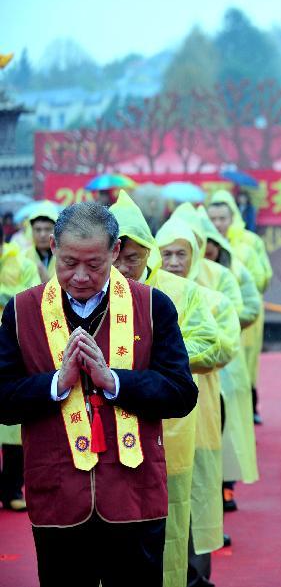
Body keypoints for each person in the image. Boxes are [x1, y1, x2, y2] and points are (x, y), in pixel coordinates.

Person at [0, 202, 198, 587]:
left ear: (115, 252)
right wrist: (57, 383)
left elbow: (180, 394)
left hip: (133, 494)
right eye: (69, 261)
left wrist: (115, 382)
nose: (79, 277)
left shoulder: (152, 306)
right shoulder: (23, 312)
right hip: (58, 493)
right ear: (54, 247)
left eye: (94, 264)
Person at [110, 192, 223, 587]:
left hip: (167, 429)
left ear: (148, 254)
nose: (123, 268)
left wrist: (158, 361)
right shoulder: (87, 295)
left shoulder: (178, 293)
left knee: (170, 520)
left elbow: (211, 345)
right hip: (104, 431)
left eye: (134, 258)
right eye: (117, 256)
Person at [157, 218, 239, 587]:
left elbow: (222, 347)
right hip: (155, 416)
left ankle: (197, 579)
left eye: (182, 254)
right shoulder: (144, 297)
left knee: (198, 499)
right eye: (167, 254)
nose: (174, 262)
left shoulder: (213, 299)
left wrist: (162, 355)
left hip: (201, 411)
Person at [207, 190, 272, 424]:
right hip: (213, 317)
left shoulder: (248, 243)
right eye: (212, 218)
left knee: (246, 362)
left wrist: (235, 287)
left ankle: (250, 408)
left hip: (243, 313)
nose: (218, 223)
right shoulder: (202, 244)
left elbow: (262, 277)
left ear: (232, 217)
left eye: (222, 218)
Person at [0, 231, 41, 512]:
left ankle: (12, 487)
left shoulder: (21, 262)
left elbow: (34, 298)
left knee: (13, 427)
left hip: (10, 347)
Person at [24, 201, 60, 283]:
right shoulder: (23, 257)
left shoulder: (66, 257)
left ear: (56, 230)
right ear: (31, 231)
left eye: (47, 229)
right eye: (38, 230)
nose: (42, 234)